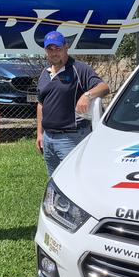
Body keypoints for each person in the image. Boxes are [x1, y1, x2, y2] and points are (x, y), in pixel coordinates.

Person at [36, 31, 110, 175]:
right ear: (46, 51)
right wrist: (39, 134)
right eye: (50, 49)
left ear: (66, 47)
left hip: (71, 138)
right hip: (48, 138)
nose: (54, 53)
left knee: (72, 179)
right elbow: (41, 104)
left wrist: (87, 95)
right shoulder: (44, 73)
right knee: (54, 180)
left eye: (58, 48)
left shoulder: (79, 69)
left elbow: (104, 87)